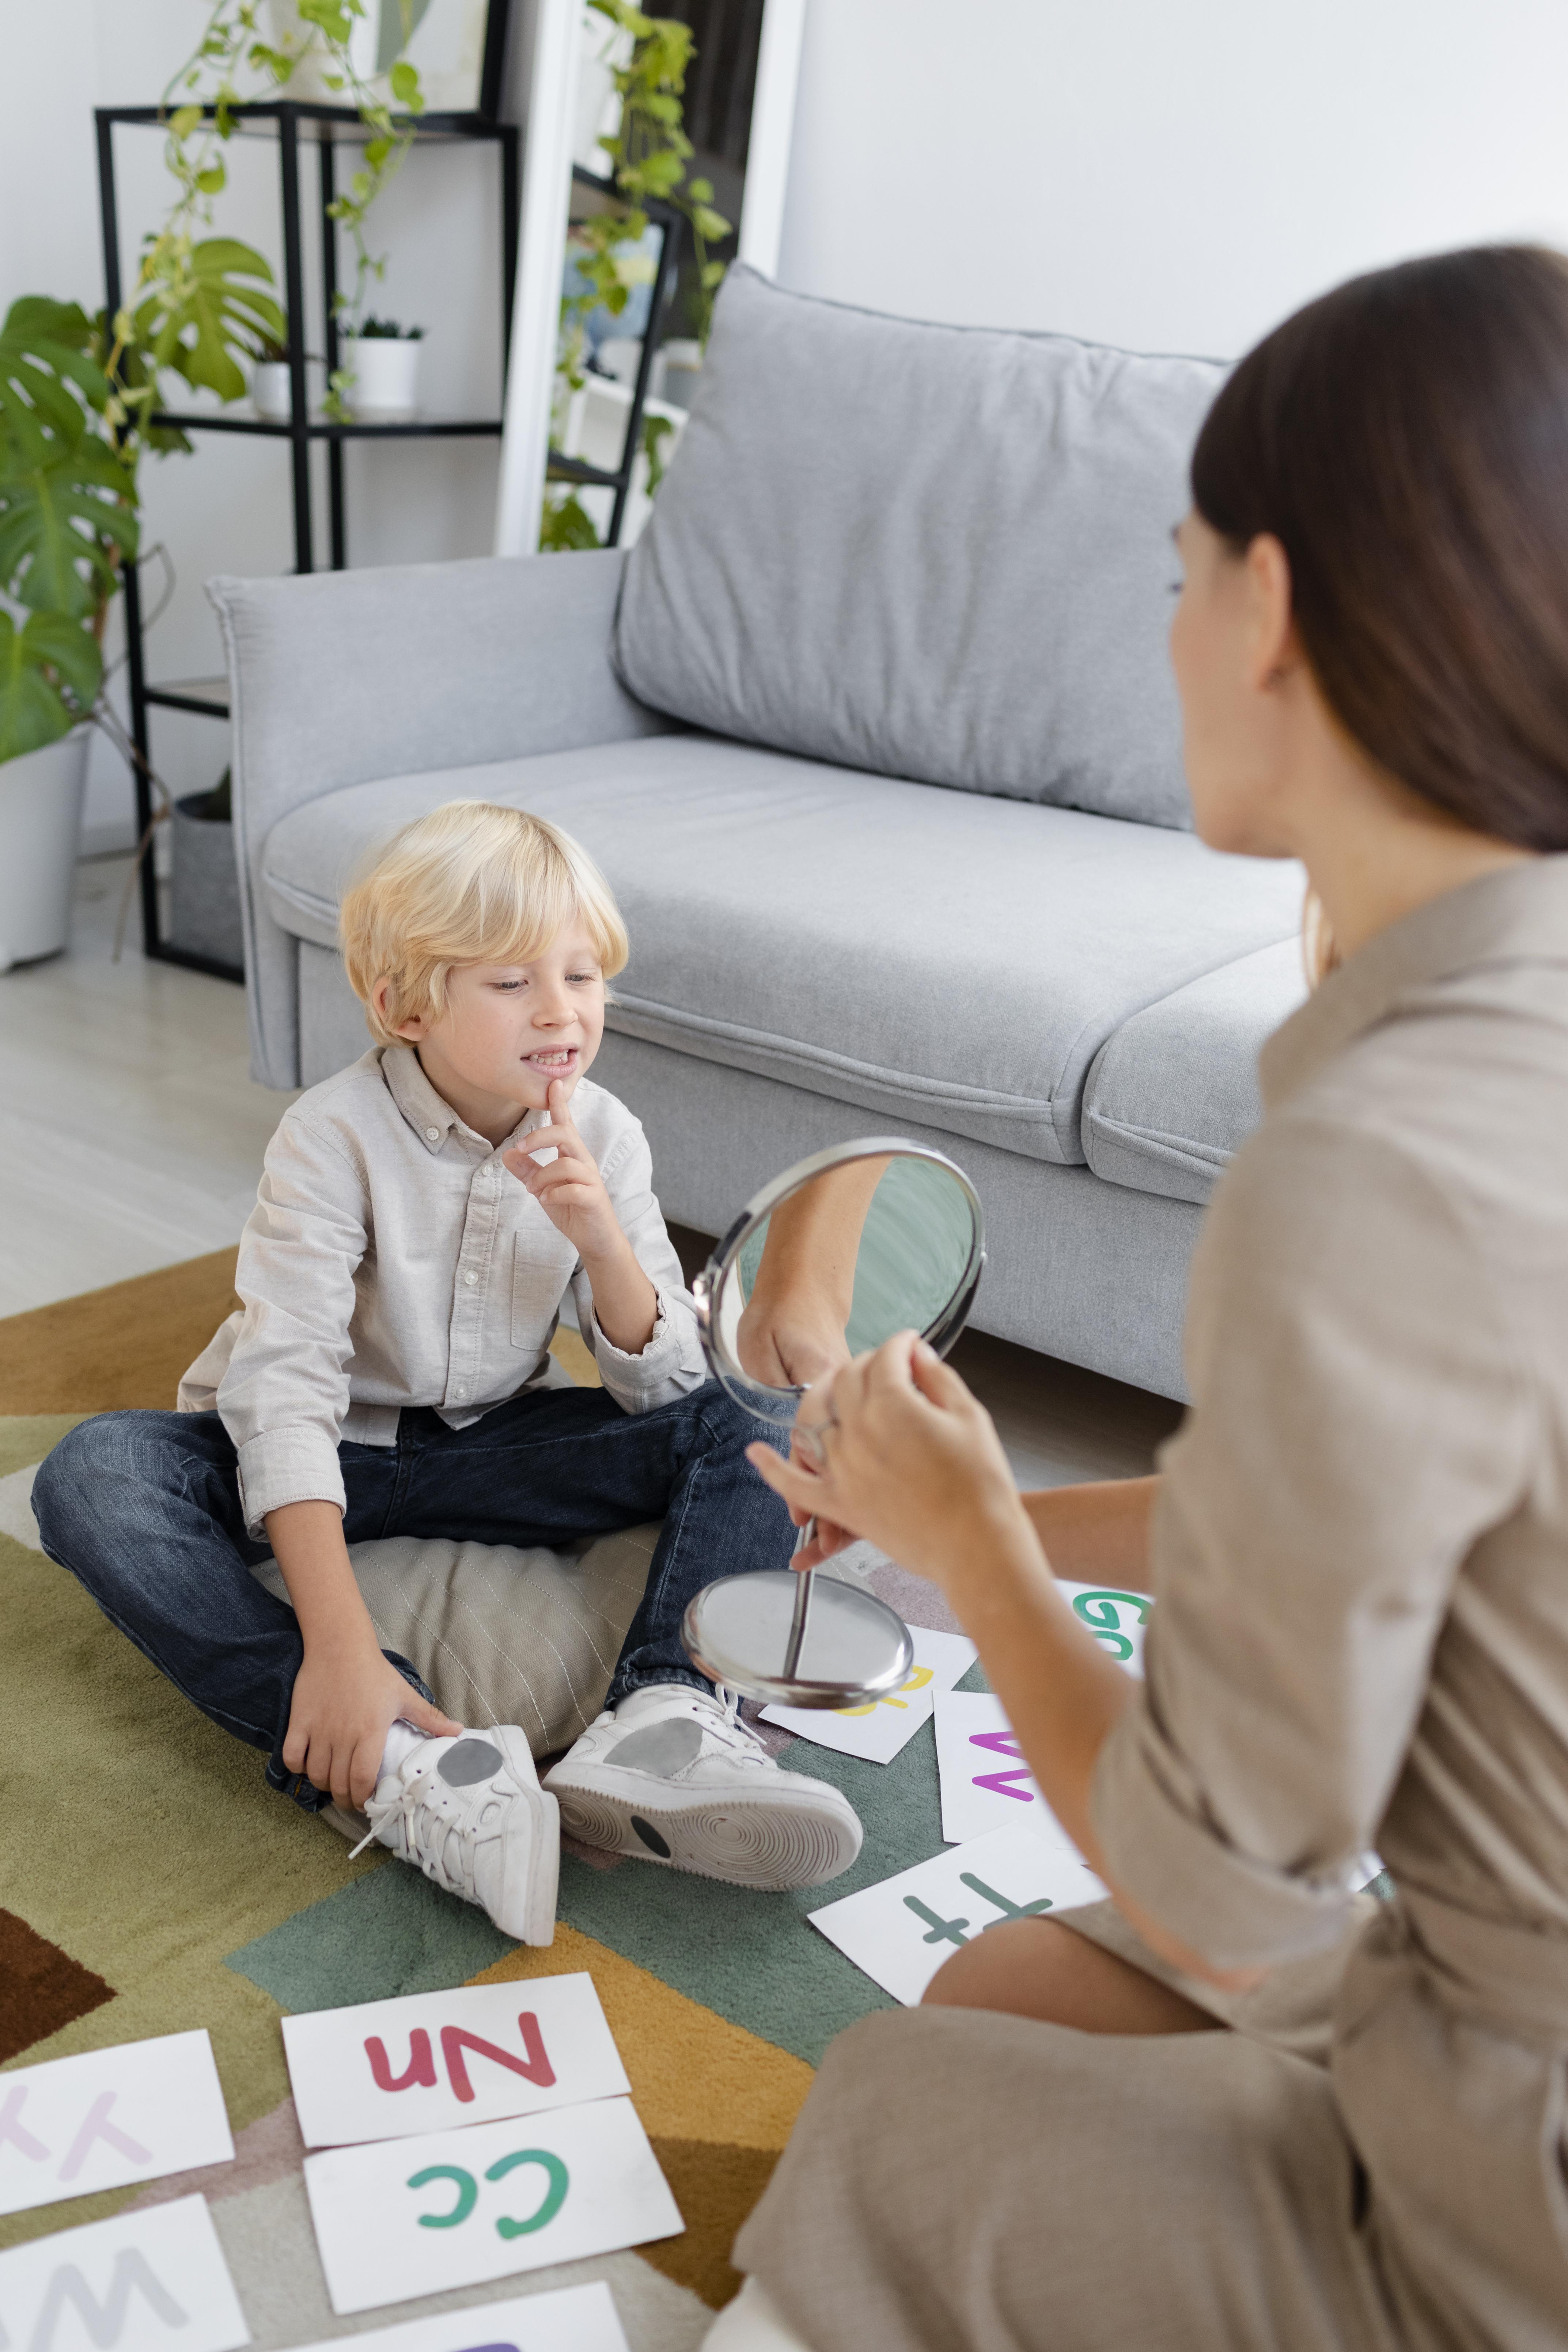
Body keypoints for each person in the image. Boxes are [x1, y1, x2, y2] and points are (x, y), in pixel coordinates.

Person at [705, 246, 1568, 2351]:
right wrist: (960, 1526)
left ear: (1266, 609)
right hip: (1470, 1976)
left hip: (1510, 2172)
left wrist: (986, 1563)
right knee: (1005, 1991)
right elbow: (1355, 1527)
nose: (1168, 632)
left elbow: (1221, 1889)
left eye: (1178, 576)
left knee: (899, 2104)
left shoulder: (1380, 1160)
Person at [33, 803, 862, 1946]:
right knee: (92, 1471)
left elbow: (669, 1392)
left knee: (762, 1406)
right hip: (322, 1453)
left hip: (489, 1447)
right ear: (402, 1005)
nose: (564, 1009)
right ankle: (398, 1759)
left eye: (582, 975)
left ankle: (665, 1714)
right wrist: (340, 1651)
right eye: (514, 981)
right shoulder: (329, 1138)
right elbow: (284, 1391)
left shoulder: (605, 1135)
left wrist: (601, 1240)